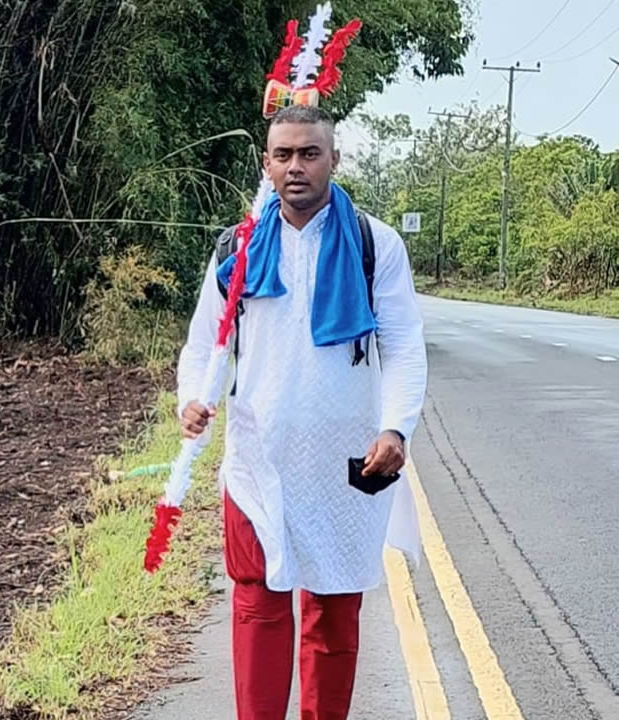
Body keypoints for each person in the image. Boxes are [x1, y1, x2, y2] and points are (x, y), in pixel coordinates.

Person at [176, 105, 427, 720]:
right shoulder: (237, 246)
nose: (296, 167)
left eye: (309, 154)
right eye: (283, 154)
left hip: (348, 462)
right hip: (257, 462)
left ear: (334, 160)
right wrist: (193, 397)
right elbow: (205, 341)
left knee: (334, 613)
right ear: (266, 162)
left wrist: (396, 427)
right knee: (257, 605)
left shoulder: (375, 244)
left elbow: (403, 346)